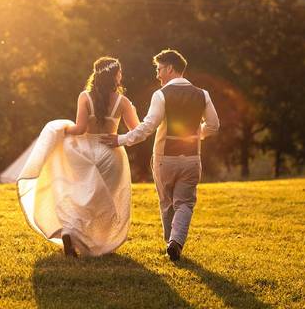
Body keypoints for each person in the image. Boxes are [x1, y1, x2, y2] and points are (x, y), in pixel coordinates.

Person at [100, 49, 219, 263]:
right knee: (185, 203)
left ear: (170, 68)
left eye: (159, 69)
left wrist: (120, 139)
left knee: (167, 203)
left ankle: (170, 243)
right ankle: (176, 242)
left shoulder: (161, 95)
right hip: (192, 158)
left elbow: (147, 127)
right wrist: (196, 134)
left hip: (164, 159)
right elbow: (214, 125)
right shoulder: (203, 94)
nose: (157, 74)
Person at [15, 56, 141, 257]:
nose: (121, 76)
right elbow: (138, 130)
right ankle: (96, 243)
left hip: (85, 152)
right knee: (104, 199)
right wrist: (121, 137)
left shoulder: (85, 97)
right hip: (111, 153)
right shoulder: (123, 102)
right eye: (120, 72)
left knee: (82, 196)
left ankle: (70, 231)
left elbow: (80, 128)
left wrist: (63, 129)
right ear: (115, 75)